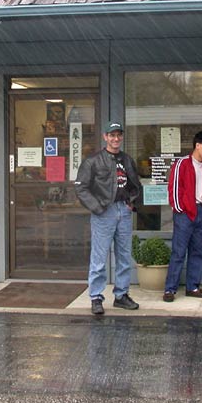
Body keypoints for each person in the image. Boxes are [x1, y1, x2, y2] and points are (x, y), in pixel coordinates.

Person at [75, 121, 142, 315]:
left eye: (118, 135)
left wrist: (132, 202)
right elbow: (81, 187)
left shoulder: (127, 160)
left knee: (123, 256)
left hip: (124, 211)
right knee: (99, 258)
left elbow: (135, 184)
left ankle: (121, 295)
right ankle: (96, 297)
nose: (115, 138)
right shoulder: (93, 161)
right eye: (111, 135)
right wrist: (97, 208)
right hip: (104, 212)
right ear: (105, 137)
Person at [163, 130, 202, 302]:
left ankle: (193, 287)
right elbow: (174, 189)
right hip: (185, 213)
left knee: (198, 252)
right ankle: (170, 289)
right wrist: (179, 210)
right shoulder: (182, 164)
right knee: (179, 252)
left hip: (201, 212)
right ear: (197, 145)